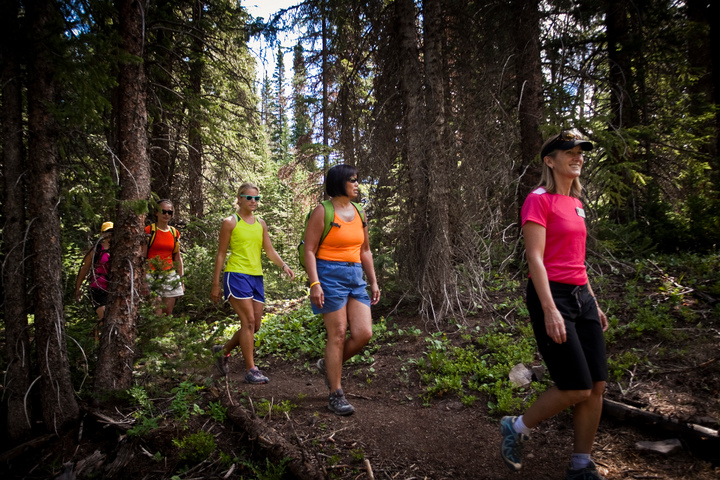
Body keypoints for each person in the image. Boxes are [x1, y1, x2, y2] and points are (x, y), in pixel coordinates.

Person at [500, 129, 609, 480]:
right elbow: (535, 258)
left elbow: (579, 259)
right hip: (552, 295)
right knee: (576, 386)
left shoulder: (576, 203)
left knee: (597, 385)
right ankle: (515, 427)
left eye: (580, 152)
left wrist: (593, 300)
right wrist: (550, 309)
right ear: (550, 161)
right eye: (569, 152)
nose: (577, 157)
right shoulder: (538, 199)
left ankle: (581, 464)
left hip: (581, 295)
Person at [303, 164, 380, 415]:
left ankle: (328, 365)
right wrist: (315, 283)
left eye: (358, 180)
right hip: (328, 275)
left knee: (363, 333)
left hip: (355, 275)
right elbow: (309, 250)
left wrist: (374, 281)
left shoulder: (360, 212)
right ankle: (336, 393)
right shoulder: (322, 211)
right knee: (337, 333)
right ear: (339, 183)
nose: (357, 185)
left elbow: (365, 250)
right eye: (352, 180)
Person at [210, 183, 295, 384]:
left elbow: (269, 249)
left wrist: (283, 265)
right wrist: (216, 283)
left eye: (256, 198)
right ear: (239, 198)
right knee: (247, 322)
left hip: (256, 277)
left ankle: (222, 352)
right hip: (236, 275)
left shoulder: (261, 223)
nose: (253, 202)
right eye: (248, 198)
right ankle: (251, 369)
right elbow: (221, 253)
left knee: (254, 325)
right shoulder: (230, 222)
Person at [145, 199, 184, 316]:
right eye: (163, 211)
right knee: (156, 312)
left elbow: (177, 257)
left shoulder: (174, 232)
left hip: (170, 275)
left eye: (169, 212)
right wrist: (143, 280)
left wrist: (181, 280)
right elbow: (142, 256)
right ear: (157, 212)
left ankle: (165, 335)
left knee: (168, 313)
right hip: (151, 274)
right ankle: (155, 334)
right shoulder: (149, 230)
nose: (166, 214)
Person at [75, 221, 113, 340]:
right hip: (96, 288)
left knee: (109, 320)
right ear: (102, 233)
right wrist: (78, 288)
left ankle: (98, 343)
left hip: (112, 290)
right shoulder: (96, 250)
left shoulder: (119, 250)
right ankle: (99, 345)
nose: (110, 234)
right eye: (107, 231)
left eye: (112, 231)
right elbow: (85, 269)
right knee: (105, 318)